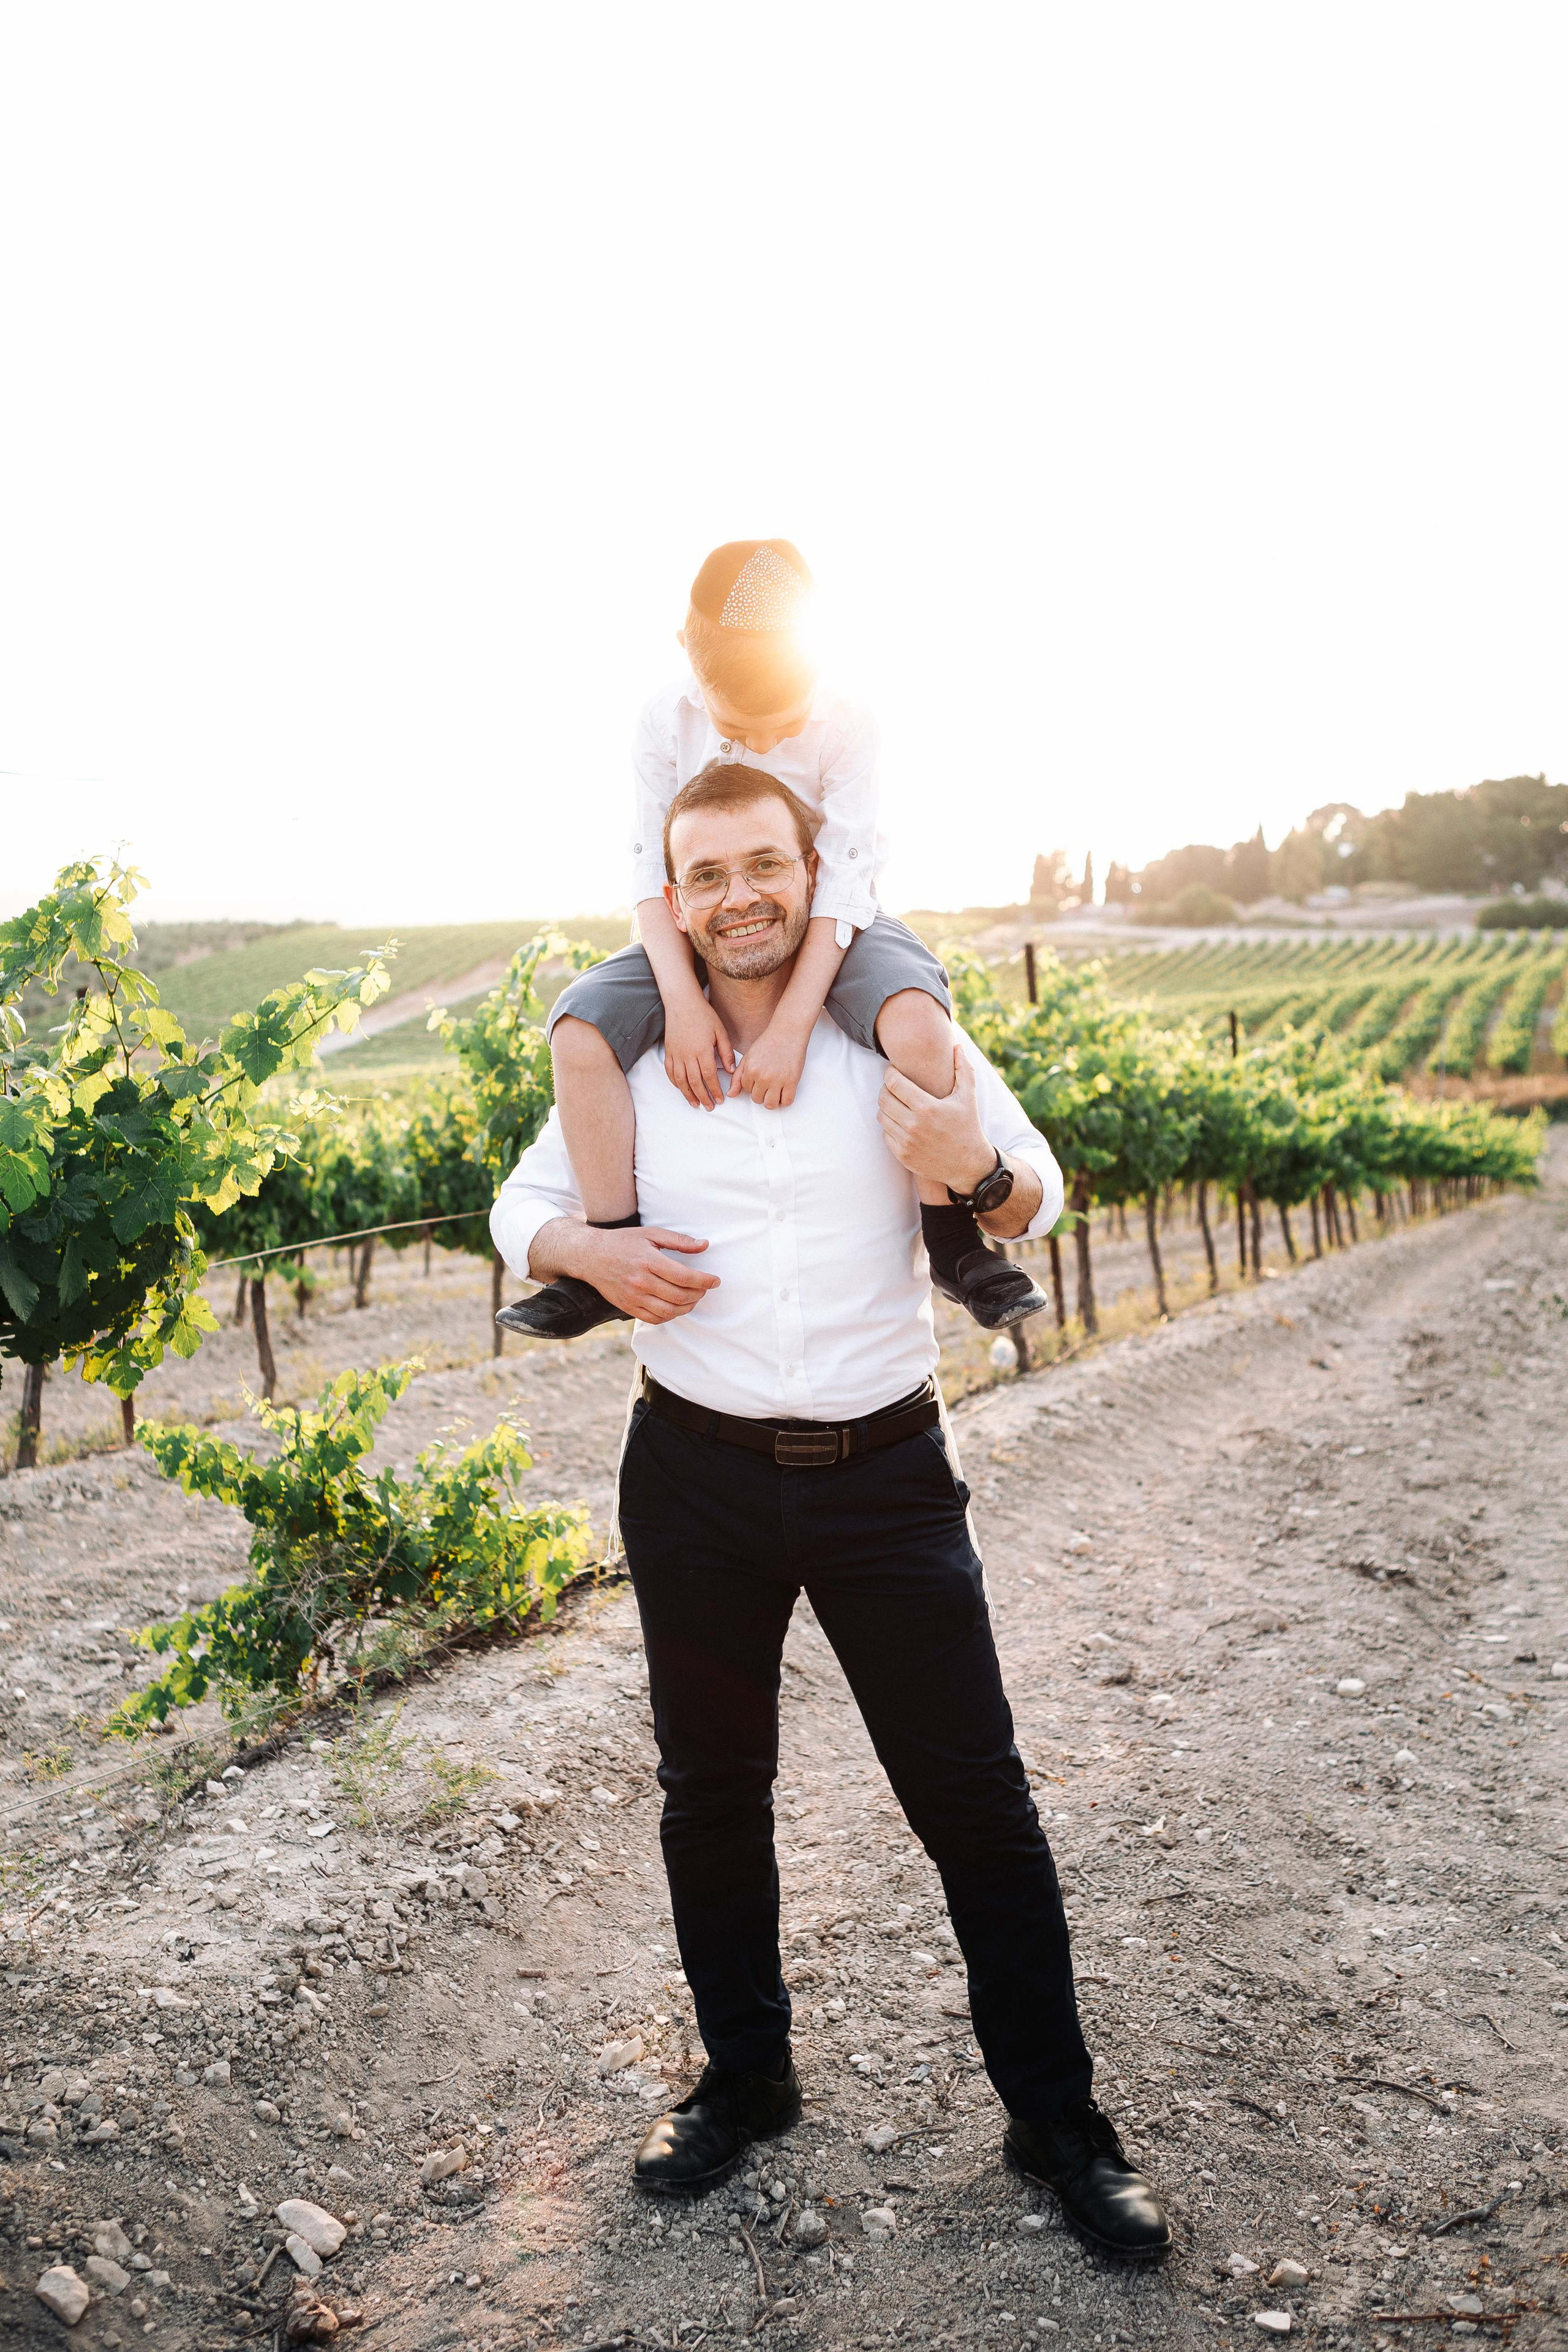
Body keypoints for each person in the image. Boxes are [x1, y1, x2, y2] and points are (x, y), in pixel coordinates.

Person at [489, 764, 1172, 2263]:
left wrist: (975, 1171)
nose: (739, 897)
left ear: (813, 875)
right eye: (705, 875)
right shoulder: (628, 1052)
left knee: (975, 1805)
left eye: (762, 866)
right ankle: (746, 2079)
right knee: (708, 1794)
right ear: (672, 902)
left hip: (885, 1479)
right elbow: (519, 1201)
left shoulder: (888, 1027)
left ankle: (1055, 2121)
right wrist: (581, 1256)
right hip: (695, 1477)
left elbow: (1035, 1186)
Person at [500, 537, 1046, 1341]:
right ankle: (611, 1252)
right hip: (699, 921)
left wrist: (792, 1026)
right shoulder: (662, 716)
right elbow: (651, 875)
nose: (761, 744)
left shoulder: (848, 718)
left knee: (917, 1020)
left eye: (780, 727)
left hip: (831, 917)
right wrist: (683, 1004)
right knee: (580, 1024)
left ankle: (954, 1240)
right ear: (688, 654)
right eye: (738, 729)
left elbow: (848, 878)